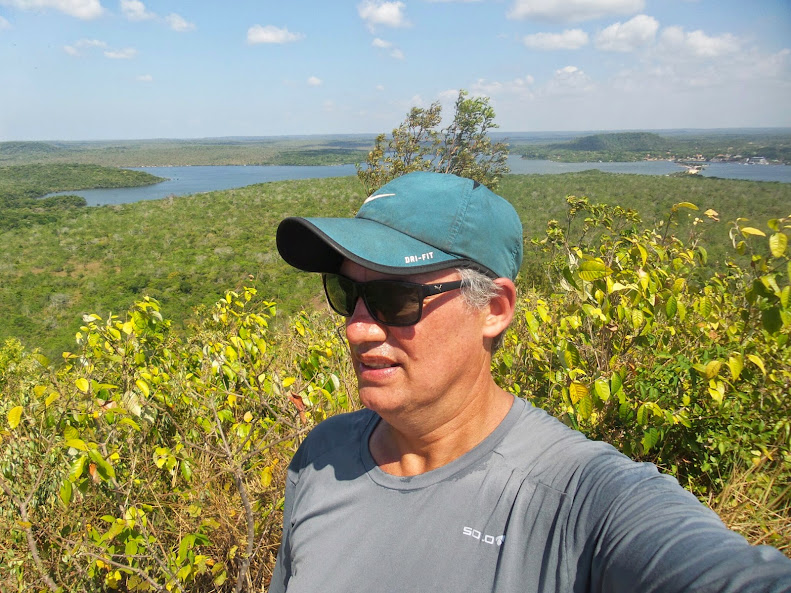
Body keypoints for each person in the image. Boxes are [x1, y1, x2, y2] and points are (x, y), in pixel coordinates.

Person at [270, 171, 791, 593]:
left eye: (396, 299)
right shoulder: (321, 456)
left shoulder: (581, 500)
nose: (357, 327)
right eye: (346, 292)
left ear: (493, 309)